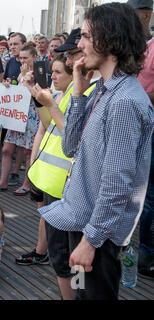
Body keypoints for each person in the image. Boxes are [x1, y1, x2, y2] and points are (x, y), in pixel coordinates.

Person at [39, 3, 153, 300]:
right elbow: (70, 145)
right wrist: (77, 92)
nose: (80, 44)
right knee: (79, 296)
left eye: (87, 36)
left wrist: (90, 241)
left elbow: (117, 183)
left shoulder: (124, 101)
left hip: (97, 237)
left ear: (110, 39)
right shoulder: (101, 90)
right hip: (84, 225)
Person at [23, 54, 77, 299]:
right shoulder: (65, 93)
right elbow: (49, 124)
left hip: (65, 186)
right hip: (53, 182)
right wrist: (39, 98)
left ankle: (76, 296)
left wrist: (51, 104)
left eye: (58, 72)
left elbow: (73, 139)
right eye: (52, 71)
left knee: (68, 255)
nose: (52, 76)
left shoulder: (80, 95)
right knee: (63, 254)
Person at [127, 0, 154, 279]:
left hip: (150, 128)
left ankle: (146, 254)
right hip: (132, 127)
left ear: (145, 15)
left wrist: (131, 93)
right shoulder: (134, 46)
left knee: (149, 196)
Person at [0, 45, 40, 195]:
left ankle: (27, 184)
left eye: (25, 57)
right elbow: (17, 91)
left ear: (34, 57)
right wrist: (8, 85)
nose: (22, 60)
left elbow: (39, 95)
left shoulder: (39, 73)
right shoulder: (21, 73)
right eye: (20, 57)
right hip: (16, 116)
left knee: (28, 152)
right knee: (7, 149)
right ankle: (3, 181)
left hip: (31, 116)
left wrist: (28, 80)